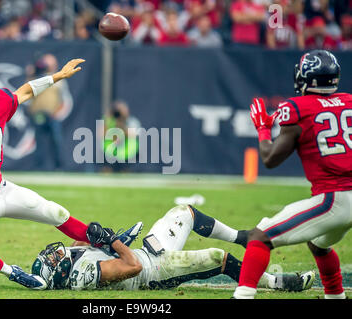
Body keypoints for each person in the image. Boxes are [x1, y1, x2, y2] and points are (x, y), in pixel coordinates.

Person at [0, 57, 106, 290]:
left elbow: (25, 91)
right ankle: (12, 272)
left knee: (56, 212)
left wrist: (58, 76)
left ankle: (107, 242)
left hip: (1, 190)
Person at [233, 49, 351, 299]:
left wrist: (263, 129)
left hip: (335, 198)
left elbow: (270, 159)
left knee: (260, 236)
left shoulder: (297, 107)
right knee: (319, 243)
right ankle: (336, 296)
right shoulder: (349, 101)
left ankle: (241, 296)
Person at [32, 205, 315, 292]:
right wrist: (112, 241)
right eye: (53, 258)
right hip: (154, 271)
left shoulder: (73, 260)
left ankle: (242, 236)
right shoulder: (85, 275)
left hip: (147, 251)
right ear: (61, 273)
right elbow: (133, 267)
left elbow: (82, 243)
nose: (55, 252)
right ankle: (276, 283)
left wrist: (95, 236)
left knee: (184, 212)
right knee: (218, 258)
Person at [26, 54, 72, 170]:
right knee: (39, 141)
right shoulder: (36, 78)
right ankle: (38, 166)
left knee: (56, 140)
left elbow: (65, 100)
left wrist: (59, 114)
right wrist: (30, 75)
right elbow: (27, 94)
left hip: (52, 115)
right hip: (38, 115)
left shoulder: (59, 79)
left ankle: (59, 166)